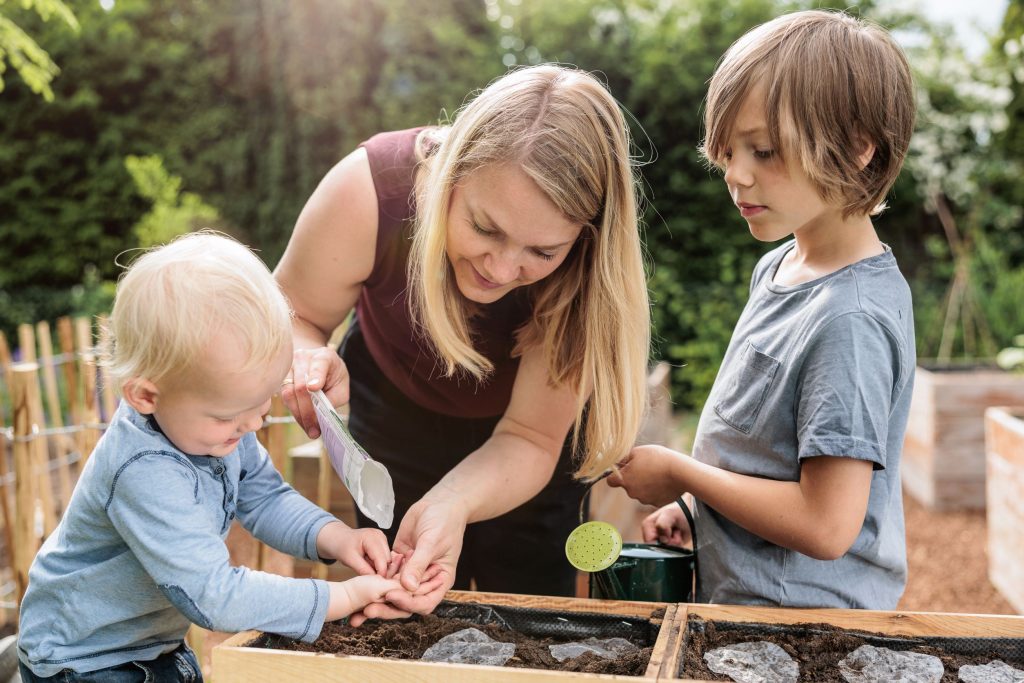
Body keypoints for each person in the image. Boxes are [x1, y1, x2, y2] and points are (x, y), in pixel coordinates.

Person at [276, 64, 650, 619]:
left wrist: (453, 501)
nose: (501, 269)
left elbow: (529, 436)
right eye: (484, 227)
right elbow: (293, 310)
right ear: (450, 176)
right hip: (396, 416)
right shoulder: (370, 191)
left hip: (531, 449)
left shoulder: (587, 274)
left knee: (528, 617)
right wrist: (306, 353)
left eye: (542, 252)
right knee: (398, 604)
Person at [17, 232, 435, 682]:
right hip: (84, 660)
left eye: (261, 404)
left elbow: (265, 497)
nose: (253, 425)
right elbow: (214, 595)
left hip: (150, 646)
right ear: (145, 395)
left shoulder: (210, 429)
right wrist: (342, 598)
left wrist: (337, 538)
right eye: (230, 414)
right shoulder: (144, 471)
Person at [609, 9, 917, 610]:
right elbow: (761, 454)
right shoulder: (778, 268)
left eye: (765, 151)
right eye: (727, 149)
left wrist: (683, 474)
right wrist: (698, 510)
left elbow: (826, 526)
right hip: (746, 607)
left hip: (805, 625)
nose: (736, 174)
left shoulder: (848, 320)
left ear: (857, 151)